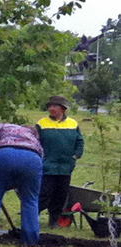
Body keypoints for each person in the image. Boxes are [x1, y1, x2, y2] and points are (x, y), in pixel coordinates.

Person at [38, 95, 84, 228]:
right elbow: (35, 141)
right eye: (50, 106)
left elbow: (79, 141)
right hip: (47, 165)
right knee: (44, 193)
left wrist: (76, 156)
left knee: (60, 195)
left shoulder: (73, 124)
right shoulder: (41, 123)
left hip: (65, 166)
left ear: (63, 109)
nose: (51, 109)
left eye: (54, 106)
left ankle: (54, 221)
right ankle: (31, 217)